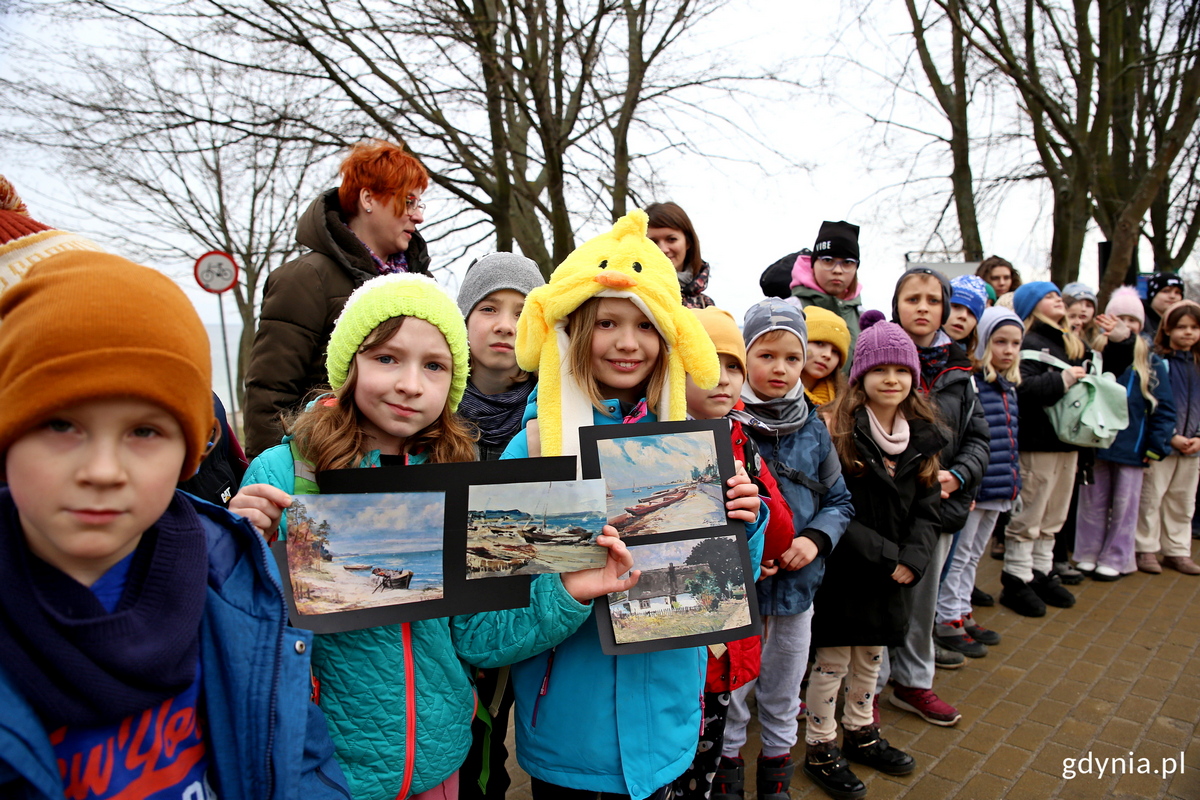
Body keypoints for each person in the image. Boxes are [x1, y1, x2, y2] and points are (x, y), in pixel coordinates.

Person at [231, 273, 638, 799]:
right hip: (321, 765)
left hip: (439, 759)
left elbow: (478, 636)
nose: (410, 383)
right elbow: (239, 629)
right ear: (348, 363)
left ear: (452, 383)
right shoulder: (285, 473)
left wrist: (568, 592)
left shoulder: (458, 477)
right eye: (386, 358)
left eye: (434, 366)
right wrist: (246, 547)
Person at [0, 251, 350, 799]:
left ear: (191, 451)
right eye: (61, 424)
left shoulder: (236, 582)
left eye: (144, 432)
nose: (102, 471)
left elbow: (298, 756)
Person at [501, 211, 765, 799]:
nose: (627, 343)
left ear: (670, 337)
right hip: (572, 734)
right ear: (571, 331)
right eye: (608, 323)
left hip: (669, 726)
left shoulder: (692, 443)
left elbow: (721, 584)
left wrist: (744, 522)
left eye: (646, 326)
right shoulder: (534, 445)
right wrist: (571, 587)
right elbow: (495, 614)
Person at [718, 298, 854, 800]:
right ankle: (725, 768)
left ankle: (776, 773)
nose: (779, 369)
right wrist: (752, 548)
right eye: (766, 355)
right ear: (745, 357)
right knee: (733, 688)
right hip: (741, 588)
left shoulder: (814, 426)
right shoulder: (725, 422)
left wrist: (812, 541)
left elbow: (839, 500)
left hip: (798, 588)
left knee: (782, 687)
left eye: (791, 358)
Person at [803, 317, 944, 799]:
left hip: (897, 576)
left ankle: (860, 730)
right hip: (849, 573)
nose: (892, 379)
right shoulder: (839, 433)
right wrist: (889, 558)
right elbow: (834, 507)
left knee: (872, 658)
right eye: (880, 368)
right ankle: (820, 744)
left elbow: (929, 509)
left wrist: (914, 559)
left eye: (902, 370)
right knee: (833, 662)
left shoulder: (922, 437)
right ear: (860, 374)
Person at [243, 140, 434, 458]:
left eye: (419, 204)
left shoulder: (421, 285)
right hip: (322, 466)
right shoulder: (305, 278)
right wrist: (274, 480)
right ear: (368, 198)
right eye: (408, 201)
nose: (418, 217)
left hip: (403, 464)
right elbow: (270, 395)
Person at [675, 306, 793, 800]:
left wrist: (758, 508)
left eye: (732, 366)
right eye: (704, 364)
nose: (722, 380)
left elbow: (784, 535)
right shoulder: (651, 444)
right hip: (672, 644)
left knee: (706, 761)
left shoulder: (742, 442)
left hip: (722, 649)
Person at [882, 267, 989, 725]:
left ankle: (913, 682)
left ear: (945, 309)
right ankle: (867, 688)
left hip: (938, 507)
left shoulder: (959, 373)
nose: (922, 307)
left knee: (923, 602)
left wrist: (958, 477)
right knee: (880, 597)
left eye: (932, 299)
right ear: (896, 306)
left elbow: (980, 439)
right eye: (912, 298)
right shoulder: (875, 361)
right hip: (884, 509)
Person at [1000, 282, 1135, 616]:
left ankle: (1042, 572)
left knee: (1054, 514)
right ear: (1031, 306)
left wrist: (1122, 341)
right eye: (1048, 296)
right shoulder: (1028, 341)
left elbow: (1106, 375)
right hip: (1038, 443)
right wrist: (1063, 381)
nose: (1057, 299)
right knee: (1030, 513)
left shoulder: (1070, 342)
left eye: (1058, 295)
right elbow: (1022, 389)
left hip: (1069, 443)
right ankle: (1016, 578)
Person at [935, 307, 1023, 657]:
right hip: (977, 487)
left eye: (1016, 343)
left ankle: (961, 609)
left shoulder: (1008, 386)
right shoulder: (975, 382)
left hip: (1000, 485)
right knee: (959, 554)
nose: (1008, 350)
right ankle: (947, 616)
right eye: (1000, 341)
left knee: (973, 555)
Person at [1075, 288, 1175, 580]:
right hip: (1097, 442)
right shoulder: (1096, 353)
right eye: (1120, 318)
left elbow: (1165, 408)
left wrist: (1157, 445)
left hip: (1133, 447)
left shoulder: (1151, 361)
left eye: (1133, 320)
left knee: (1125, 506)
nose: (1126, 325)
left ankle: (1118, 556)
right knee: (1092, 502)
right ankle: (1087, 552)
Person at [1135, 300, 1200, 575]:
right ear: (1168, 329)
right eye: (1181, 327)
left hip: (1194, 446)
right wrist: (1171, 436)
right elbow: (1153, 403)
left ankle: (1177, 550)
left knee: (1183, 501)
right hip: (1164, 444)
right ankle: (1145, 548)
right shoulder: (1159, 362)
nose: (1188, 333)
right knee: (1151, 497)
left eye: (1195, 328)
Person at [784, 221, 865, 366]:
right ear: (813, 264)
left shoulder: (863, 318)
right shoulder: (790, 310)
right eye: (828, 260)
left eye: (847, 262)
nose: (837, 270)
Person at [646, 201, 715, 308]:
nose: (663, 249)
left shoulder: (706, 305)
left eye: (671, 239)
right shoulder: (628, 297)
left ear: (688, 242)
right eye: (653, 242)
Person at [800, 306, 851, 407]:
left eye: (835, 352)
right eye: (819, 343)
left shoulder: (845, 403)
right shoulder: (771, 391)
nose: (827, 355)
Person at [945, 275, 988, 355]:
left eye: (972, 312)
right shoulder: (915, 355)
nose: (963, 316)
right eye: (956, 306)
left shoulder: (972, 366)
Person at [1143, 271, 1185, 340]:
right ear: (1152, 295)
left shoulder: (1186, 321)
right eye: (1166, 291)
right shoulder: (1139, 320)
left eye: (1177, 292)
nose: (1172, 296)